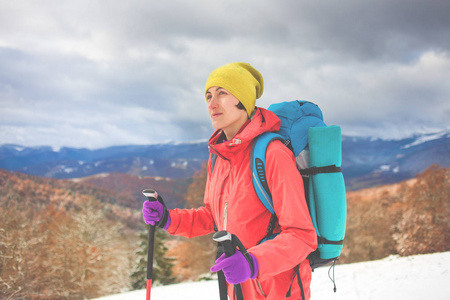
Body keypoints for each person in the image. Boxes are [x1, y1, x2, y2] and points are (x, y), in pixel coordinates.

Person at [142, 62, 317, 299]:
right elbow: (213, 216)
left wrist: (252, 262)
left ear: (243, 101)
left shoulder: (272, 154)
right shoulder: (219, 157)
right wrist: (168, 218)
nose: (212, 104)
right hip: (237, 288)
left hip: (277, 289)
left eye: (222, 93)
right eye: (208, 95)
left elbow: (301, 236)